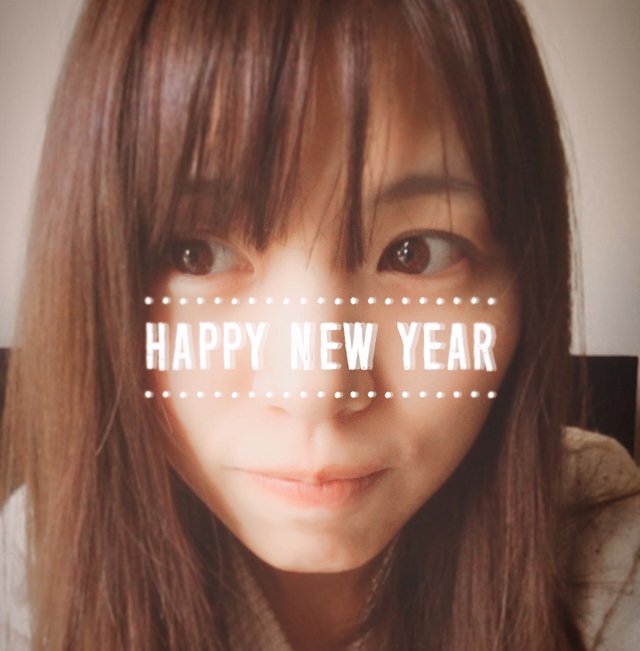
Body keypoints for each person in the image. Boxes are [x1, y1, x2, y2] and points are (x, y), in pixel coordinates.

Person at [1, 0, 639, 649]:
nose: (316, 387)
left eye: (415, 253)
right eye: (197, 254)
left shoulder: (601, 546)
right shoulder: (35, 574)